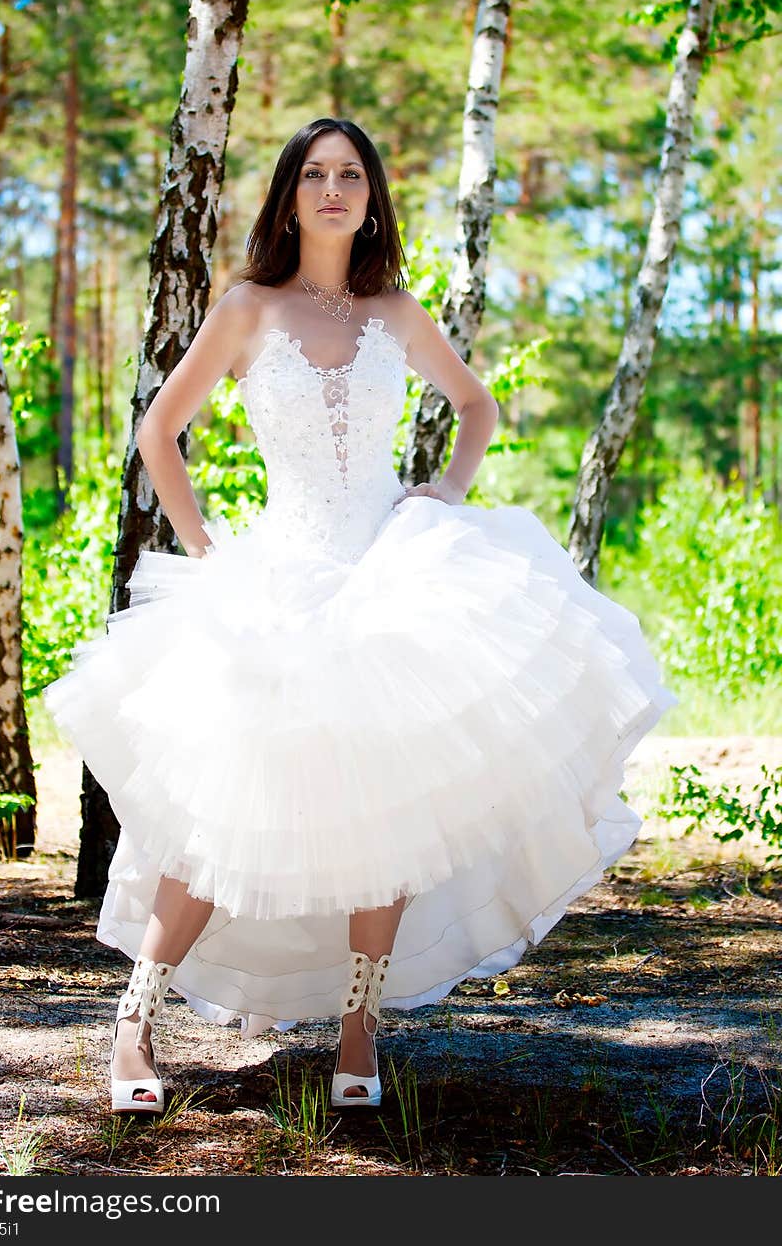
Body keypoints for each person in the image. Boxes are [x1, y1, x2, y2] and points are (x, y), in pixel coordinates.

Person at [42, 116, 677, 1115]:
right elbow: (161, 431)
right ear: (290, 197)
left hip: (388, 570)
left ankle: (357, 1022)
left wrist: (446, 492)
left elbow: (476, 407)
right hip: (277, 576)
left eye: (349, 174)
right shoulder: (248, 307)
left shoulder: (394, 311)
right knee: (220, 817)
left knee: (386, 813)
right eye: (313, 174)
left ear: (371, 196)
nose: (331, 188)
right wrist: (209, 555)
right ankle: (134, 1016)